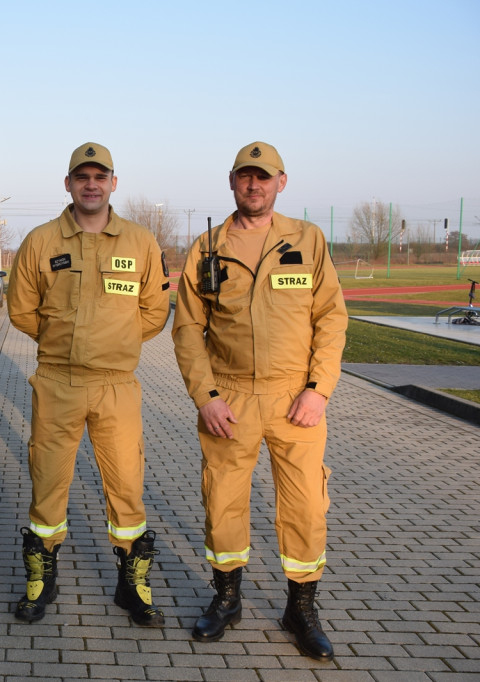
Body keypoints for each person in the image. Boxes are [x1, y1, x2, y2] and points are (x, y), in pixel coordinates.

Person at [172, 141, 348, 661]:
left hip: (296, 398)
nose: (255, 185)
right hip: (230, 398)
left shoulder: (307, 240)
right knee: (223, 503)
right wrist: (205, 397)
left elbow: (332, 320)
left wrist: (318, 391)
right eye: (246, 176)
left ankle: (302, 608)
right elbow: (187, 330)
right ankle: (226, 599)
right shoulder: (207, 247)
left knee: (306, 508)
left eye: (264, 177)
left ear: (281, 182)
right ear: (232, 181)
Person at [6, 142, 171, 626]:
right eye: (83, 176)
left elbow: (155, 311)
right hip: (57, 381)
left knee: (126, 486)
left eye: (101, 176)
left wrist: (113, 343)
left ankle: (132, 584)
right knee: (48, 484)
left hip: (117, 385)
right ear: (69, 183)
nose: (92, 184)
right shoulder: (40, 241)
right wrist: (63, 341)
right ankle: (41, 578)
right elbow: (20, 308)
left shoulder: (140, 243)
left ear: (114, 183)